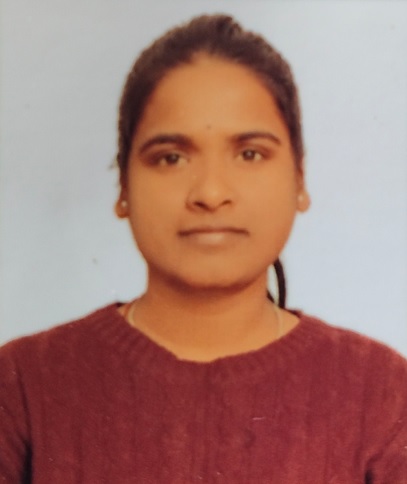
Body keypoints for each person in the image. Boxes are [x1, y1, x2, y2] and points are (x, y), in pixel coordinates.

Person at [1, 14, 406, 483]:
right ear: (124, 187)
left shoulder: (380, 391)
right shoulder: (23, 384)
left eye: (250, 153)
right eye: (171, 158)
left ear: (299, 179)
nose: (211, 193)